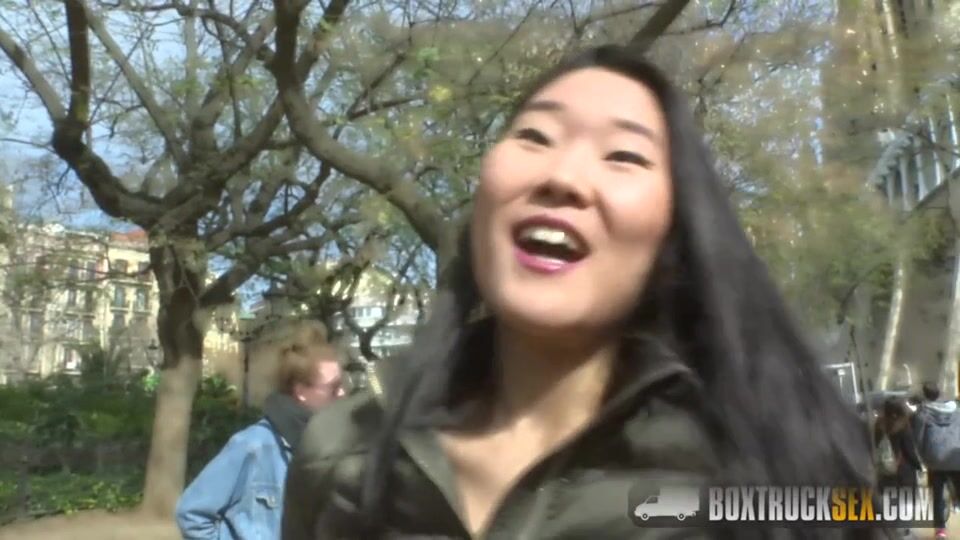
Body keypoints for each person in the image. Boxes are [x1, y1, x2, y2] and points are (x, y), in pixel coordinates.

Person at [282, 45, 883, 539]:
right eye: (535, 136)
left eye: (624, 155)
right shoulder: (344, 449)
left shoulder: (764, 474)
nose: (562, 176)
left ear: (675, 242)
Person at [176, 322, 344, 539]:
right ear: (301, 391)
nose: (342, 393)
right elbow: (191, 514)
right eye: (333, 387)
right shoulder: (254, 446)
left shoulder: (336, 449)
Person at [913, 382, 960, 538]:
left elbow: (918, 439)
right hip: (955, 456)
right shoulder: (956, 410)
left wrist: (923, 457)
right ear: (940, 392)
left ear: (925, 394)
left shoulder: (922, 413)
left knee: (938, 494)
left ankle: (940, 530)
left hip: (935, 458)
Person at [874, 397, 922, 490]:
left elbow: (875, 445)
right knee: (906, 497)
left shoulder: (878, 425)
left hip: (884, 471)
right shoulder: (903, 426)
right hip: (903, 471)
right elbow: (909, 451)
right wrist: (918, 466)